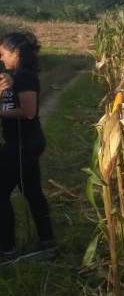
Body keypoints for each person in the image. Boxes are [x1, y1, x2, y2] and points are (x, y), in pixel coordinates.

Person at [0, 32, 55, 264]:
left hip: (23, 144)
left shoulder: (25, 77)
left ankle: (6, 251)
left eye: (3, 53)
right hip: (24, 143)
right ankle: (47, 242)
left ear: (16, 53)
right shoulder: (16, 76)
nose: (1, 58)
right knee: (32, 192)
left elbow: (29, 112)